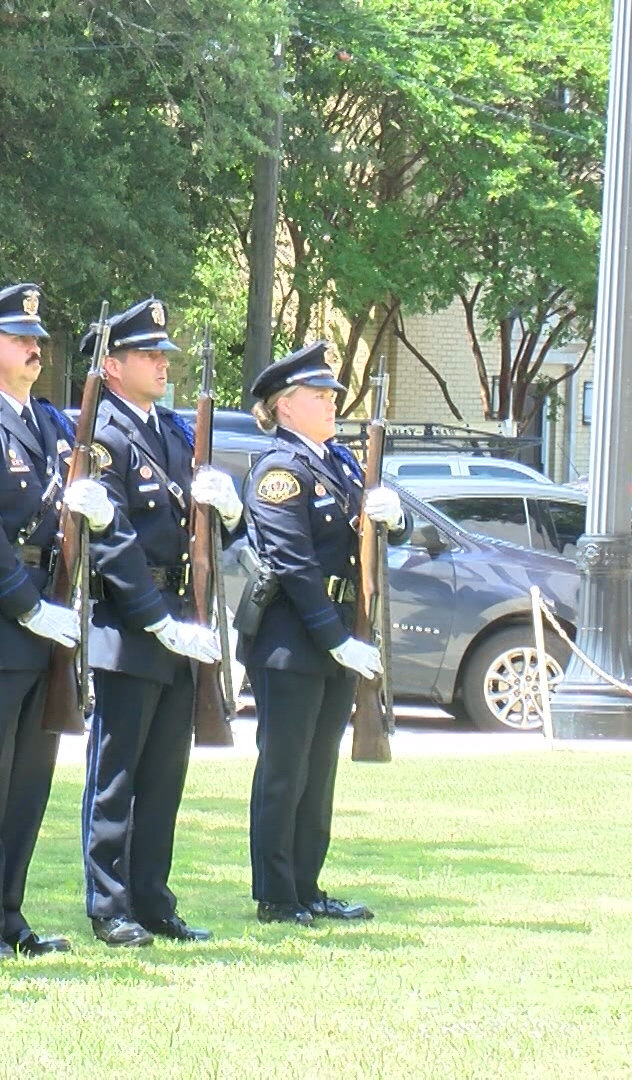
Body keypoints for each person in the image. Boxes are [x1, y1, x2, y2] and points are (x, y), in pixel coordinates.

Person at [0, 282, 111, 960]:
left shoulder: (46, 423)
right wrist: (29, 605)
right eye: (20, 337)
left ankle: (11, 913)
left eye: (36, 337)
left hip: (47, 623)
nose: (35, 346)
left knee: (28, 782)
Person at [79, 298, 241, 948]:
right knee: (116, 776)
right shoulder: (103, 433)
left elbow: (202, 530)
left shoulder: (175, 431)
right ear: (113, 365)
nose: (161, 364)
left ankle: (153, 898)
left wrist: (231, 510)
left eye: (163, 353)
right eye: (147, 354)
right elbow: (110, 540)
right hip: (128, 626)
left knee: (164, 776)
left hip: (182, 618)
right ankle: (109, 903)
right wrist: (156, 620)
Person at [240, 342, 401, 926]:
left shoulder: (340, 464)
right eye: (318, 395)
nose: (332, 402)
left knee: (319, 769)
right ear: (285, 407)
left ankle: (307, 885)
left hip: (337, 637)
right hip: (293, 641)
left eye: (332, 393)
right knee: (284, 770)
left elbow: (371, 539)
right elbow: (293, 565)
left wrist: (394, 517)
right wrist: (336, 639)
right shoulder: (280, 470)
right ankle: (276, 894)